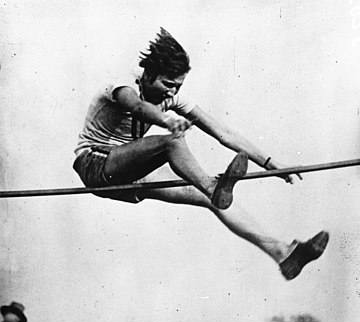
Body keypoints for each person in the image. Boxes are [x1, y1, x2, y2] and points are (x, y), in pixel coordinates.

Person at [73, 27, 329, 281]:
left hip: (127, 176)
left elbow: (222, 132)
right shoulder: (122, 85)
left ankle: (283, 253)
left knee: (209, 198)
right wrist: (166, 121)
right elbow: (138, 107)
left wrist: (269, 163)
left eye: (178, 86)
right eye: (167, 84)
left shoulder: (172, 97)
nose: (171, 92)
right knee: (174, 143)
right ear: (148, 74)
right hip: (96, 163)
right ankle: (212, 187)